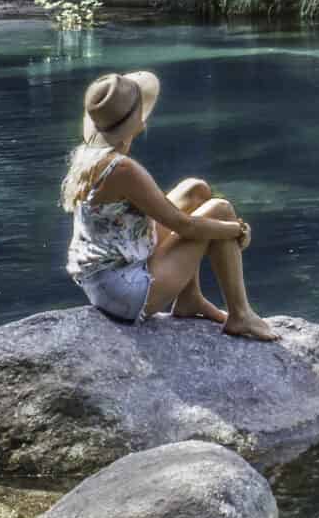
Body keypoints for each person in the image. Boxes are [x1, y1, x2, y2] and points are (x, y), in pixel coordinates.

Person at [60, 69, 277, 341]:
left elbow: (163, 215)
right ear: (137, 121)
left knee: (195, 190)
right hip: (124, 293)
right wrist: (235, 229)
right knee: (219, 210)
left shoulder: (90, 155)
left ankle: (190, 299)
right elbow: (183, 225)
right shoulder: (123, 169)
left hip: (106, 277)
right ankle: (240, 315)